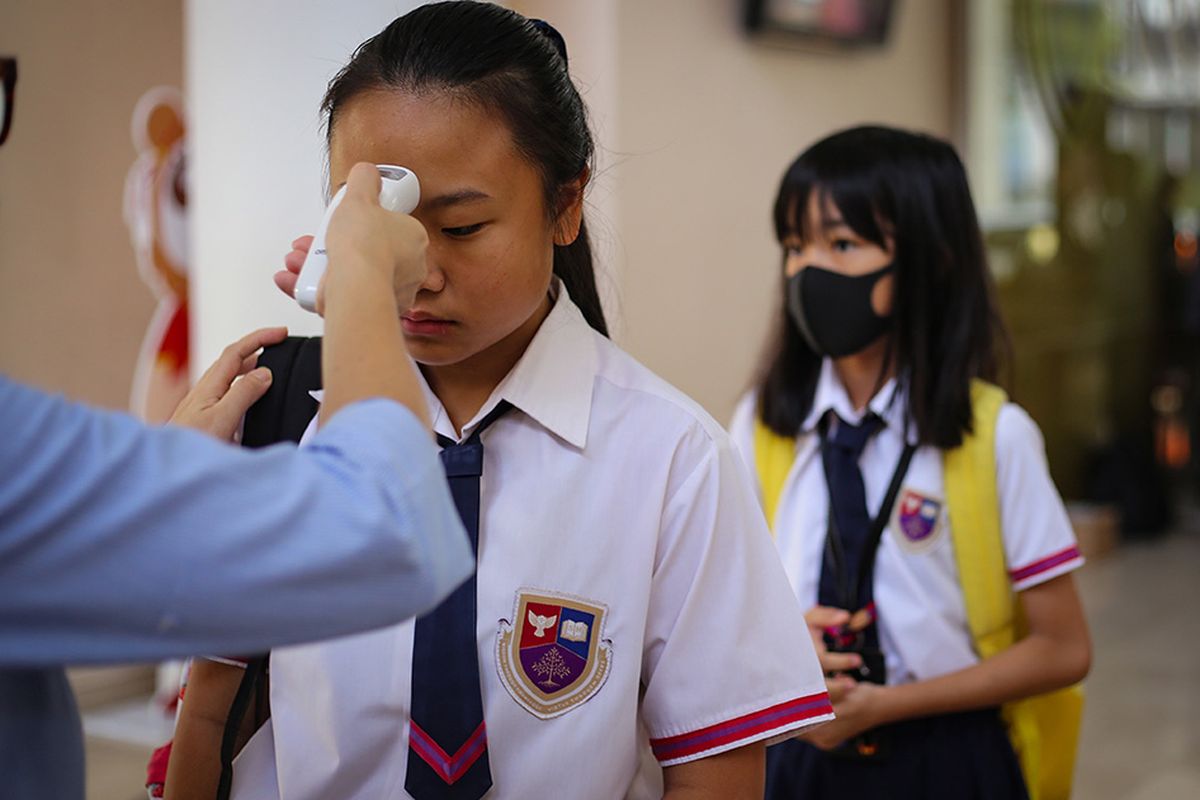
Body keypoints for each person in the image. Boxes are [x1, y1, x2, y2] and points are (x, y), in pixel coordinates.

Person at [166, 4, 831, 799]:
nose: (419, 273)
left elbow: (715, 776)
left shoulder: (673, 462)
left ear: (565, 205)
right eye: (383, 231)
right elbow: (213, 721)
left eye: (463, 226)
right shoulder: (272, 422)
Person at [0, 164, 473, 798]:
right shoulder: (289, 401)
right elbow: (389, 529)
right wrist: (363, 275)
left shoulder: (649, 442)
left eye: (464, 227)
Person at [728, 125, 1093, 799]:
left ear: (930, 259)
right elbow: (727, 606)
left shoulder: (994, 437)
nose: (808, 270)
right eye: (794, 245)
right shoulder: (762, 425)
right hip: (801, 758)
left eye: (841, 244)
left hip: (949, 758)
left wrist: (885, 706)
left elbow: (1064, 648)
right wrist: (780, 644)